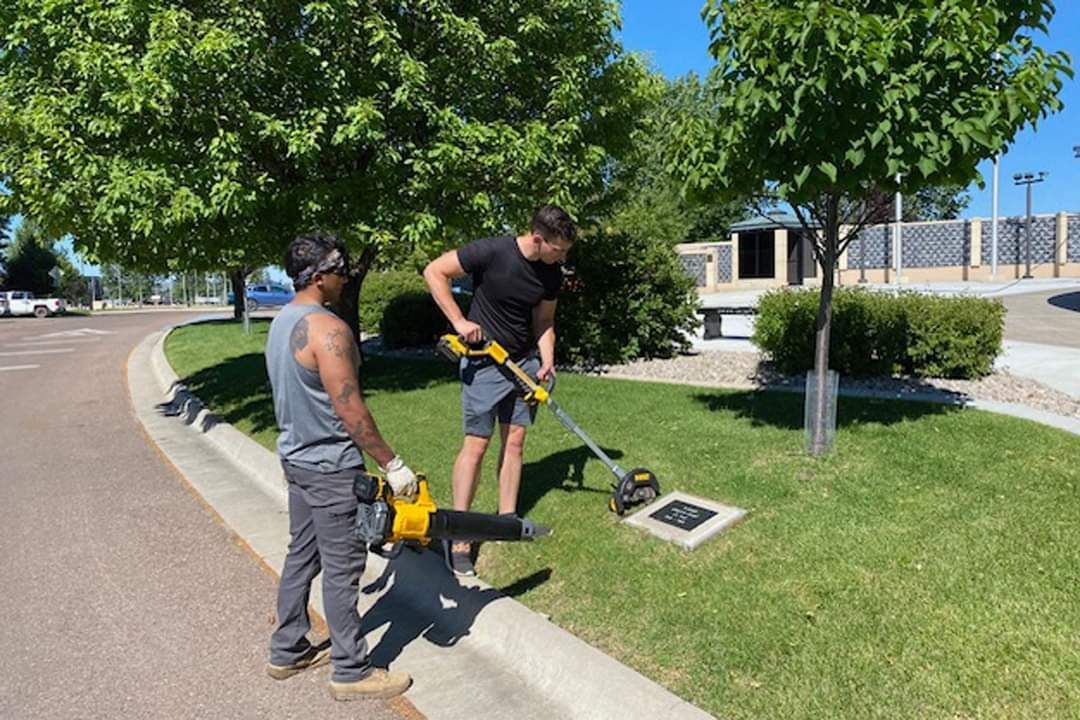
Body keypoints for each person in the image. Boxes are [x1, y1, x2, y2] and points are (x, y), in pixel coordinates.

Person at [265, 232, 415, 700]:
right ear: (320, 276)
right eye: (341, 271)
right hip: (330, 467)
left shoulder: (282, 320)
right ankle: (351, 671)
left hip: (296, 460)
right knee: (342, 566)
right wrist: (392, 463)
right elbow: (350, 409)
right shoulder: (328, 330)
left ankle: (287, 650)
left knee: (301, 555)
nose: (346, 279)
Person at [423, 205, 576, 576]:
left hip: (521, 364)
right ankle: (458, 534)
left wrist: (547, 358)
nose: (563, 257)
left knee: (516, 442)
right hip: (483, 362)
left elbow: (544, 320)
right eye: (558, 249)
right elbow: (434, 271)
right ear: (538, 239)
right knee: (476, 444)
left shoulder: (550, 274)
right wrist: (459, 321)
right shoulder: (493, 252)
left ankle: (507, 519)